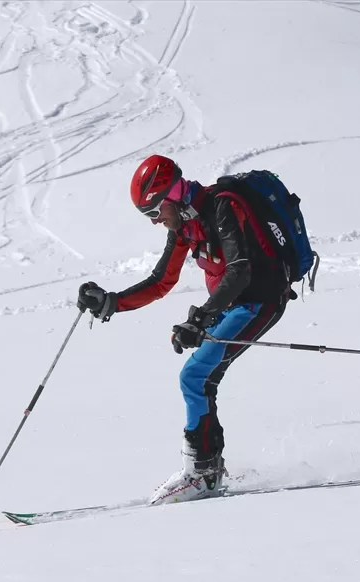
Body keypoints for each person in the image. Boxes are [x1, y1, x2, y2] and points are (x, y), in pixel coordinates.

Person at [77, 155, 315, 505]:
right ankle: (208, 468)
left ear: (172, 195)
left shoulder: (222, 209)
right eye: (149, 217)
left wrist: (201, 319)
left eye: (155, 212)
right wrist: (111, 303)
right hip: (233, 305)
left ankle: (202, 474)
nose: (157, 222)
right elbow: (161, 282)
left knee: (195, 376)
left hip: (259, 301)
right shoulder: (184, 227)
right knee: (201, 378)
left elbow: (240, 271)